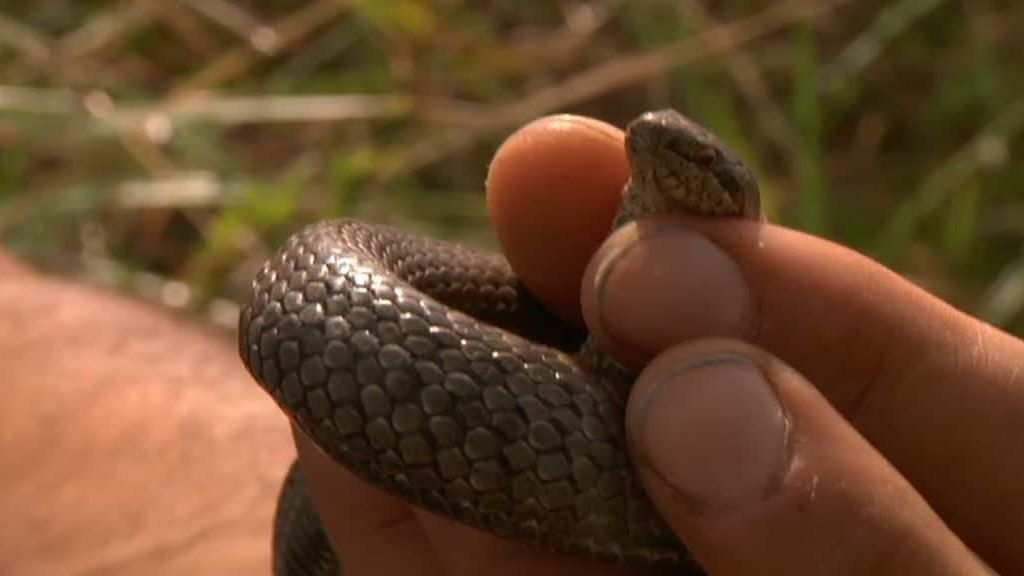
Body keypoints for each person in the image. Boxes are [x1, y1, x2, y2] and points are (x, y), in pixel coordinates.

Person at [2, 114, 1021, 575]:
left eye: (702, 157)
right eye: (659, 149)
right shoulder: (611, 278)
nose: (668, 146)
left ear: (735, 202)